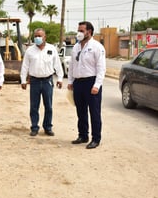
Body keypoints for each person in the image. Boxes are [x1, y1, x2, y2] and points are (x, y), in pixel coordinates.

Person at [67, 21, 106, 149]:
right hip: (78, 83)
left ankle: (96, 139)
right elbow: (72, 65)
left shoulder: (97, 47)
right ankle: (83, 135)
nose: (79, 33)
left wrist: (97, 85)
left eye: (82, 31)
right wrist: (70, 82)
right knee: (81, 111)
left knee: (94, 112)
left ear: (89, 32)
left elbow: (101, 68)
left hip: (91, 82)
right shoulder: (76, 47)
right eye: (78, 30)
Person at [20, 28, 63, 137]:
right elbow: (25, 66)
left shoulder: (51, 49)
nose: (37, 38)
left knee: (48, 106)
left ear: (45, 37)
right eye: (35, 36)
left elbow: (57, 64)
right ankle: (34, 127)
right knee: (34, 106)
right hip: (34, 81)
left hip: (47, 81)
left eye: (39, 36)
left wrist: (60, 78)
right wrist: (23, 80)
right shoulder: (30, 50)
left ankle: (48, 127)